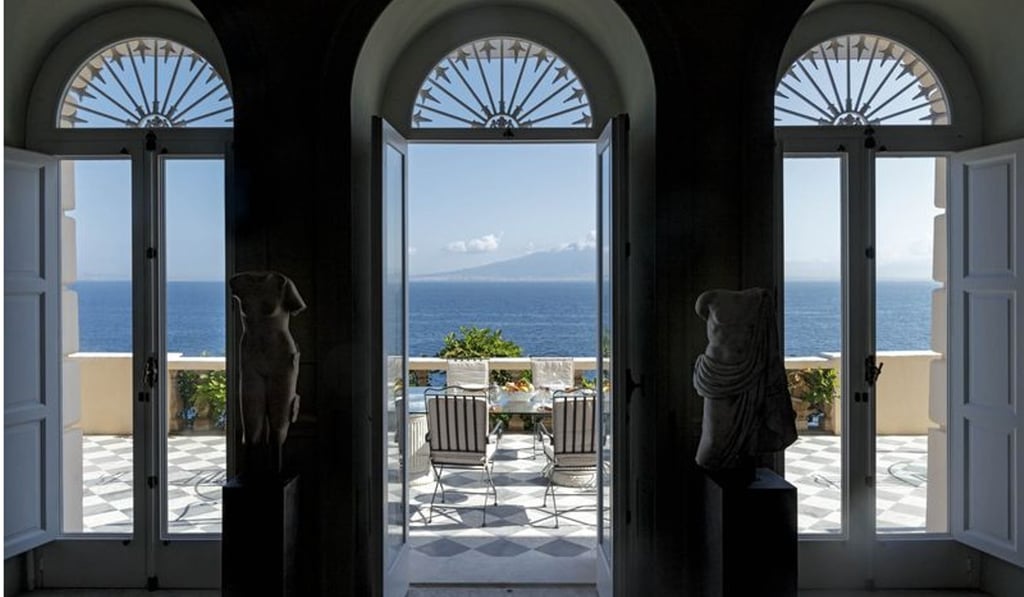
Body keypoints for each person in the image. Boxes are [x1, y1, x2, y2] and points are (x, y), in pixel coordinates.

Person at [692, 288, 796, 471]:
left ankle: (738, 463)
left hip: (750, 371)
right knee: (712, 439)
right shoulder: (708, 299)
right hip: (716, 375)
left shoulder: (760, 303)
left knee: (747, 434)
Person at [230, 270, 306, 476]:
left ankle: (276, 470)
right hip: (251, 358)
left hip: (281, 357)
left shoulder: (282, 284)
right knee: (251, 425)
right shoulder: (238, 284)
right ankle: (250, 475)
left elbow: (298, 308)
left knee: (280, 422)